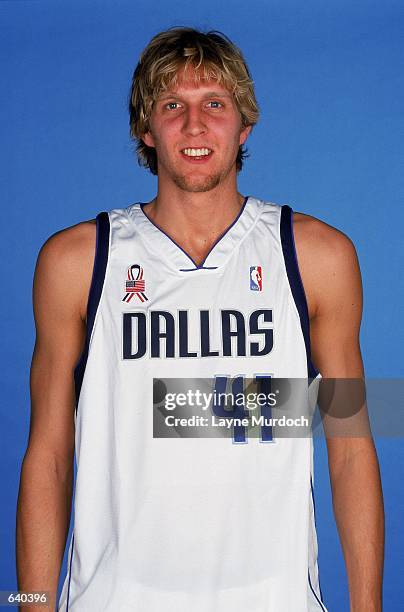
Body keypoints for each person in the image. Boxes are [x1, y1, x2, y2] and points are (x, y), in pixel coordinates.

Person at [16, 27, 384, 611]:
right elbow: (49, 454)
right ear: (146, 128)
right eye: (172, 106)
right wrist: (30, 603)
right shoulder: (76, 262)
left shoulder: (317, 257)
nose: (194, 126)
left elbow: (350, 442)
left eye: (214, 104)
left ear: (244, 126)